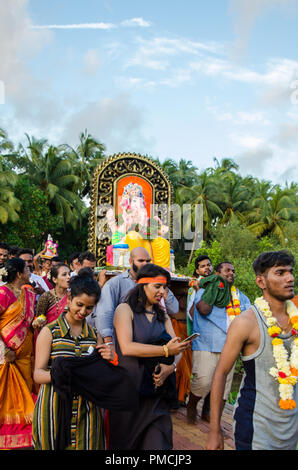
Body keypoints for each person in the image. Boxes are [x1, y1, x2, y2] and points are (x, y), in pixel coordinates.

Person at [206, 250, 298, 451]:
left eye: (291, 272)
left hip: (291, 427)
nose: (290, 278)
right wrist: (215, 431)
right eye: (280, 273)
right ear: (261, 282)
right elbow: (220, 373)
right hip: (256, 427)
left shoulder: (295, 317)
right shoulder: (246, 323)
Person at [108, 263, 191, 450]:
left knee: (159, 443)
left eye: (164, 287)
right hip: (129, 391)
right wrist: (165, 351)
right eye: (157, 286)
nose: (162, 291)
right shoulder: (124, 310)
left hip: (155, 394)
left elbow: (176, 347)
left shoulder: (163, 314)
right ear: (142, 285)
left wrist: (170, 368)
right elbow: (127, 347)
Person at [32, 269, 114, 450]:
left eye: (89, 307)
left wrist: (108, 361)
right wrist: (63, 373)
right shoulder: (50, 332)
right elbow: (38, 374)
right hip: (54, 407)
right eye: (79, 304)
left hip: (87, 410)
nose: (83, 311)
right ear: (69, 299)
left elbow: (100, 377)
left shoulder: (94, 335)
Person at [186, 261, 251, 425]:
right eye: (227, 270)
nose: (231, 273)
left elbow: (249, 318)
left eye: (233, 271)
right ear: (217, 273)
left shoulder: (240, 296)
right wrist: (215, 289)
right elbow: (202, 310)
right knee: (202, 382)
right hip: (206, 343)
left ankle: (213, 421)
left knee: (223, 389)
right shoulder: (204, 290)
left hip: (230, 347)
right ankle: (192, 406)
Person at [94, 247, 179, 345]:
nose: (145, 264)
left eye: (148, 261)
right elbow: (105, 312)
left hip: (151, 344)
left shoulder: (158, 283)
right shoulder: (115, 283)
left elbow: (174, 309)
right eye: (141, 261)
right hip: (123, 344)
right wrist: (108, 341)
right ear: (130, 261)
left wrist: (163, 288)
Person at [0, 258, 36, 449]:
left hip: (25, 356)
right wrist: (5, 351)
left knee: (26, 395)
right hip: (7, 358)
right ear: (18, 274)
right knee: (6, 398)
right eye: (27, 269)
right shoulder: (3, 293)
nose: (30, 272)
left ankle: (26, 437)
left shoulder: (27, 293)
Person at [186, 255, 213, 421]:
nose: (207, 268)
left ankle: (208, 411)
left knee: (217, 377)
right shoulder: (194, 288)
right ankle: (192, 405)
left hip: (219, 339)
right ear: (197, 270)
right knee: (202, 377)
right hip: (202, 338)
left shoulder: (219, 286)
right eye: (203, 266)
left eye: (209, 265)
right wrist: (198, 294)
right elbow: (190, 314)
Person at [34, 263, 71, 327]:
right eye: (64, 274)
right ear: (54, 279)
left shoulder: (73, 296)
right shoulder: (46, 297)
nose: (68, 277)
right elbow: (39, 320)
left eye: (69, 274)